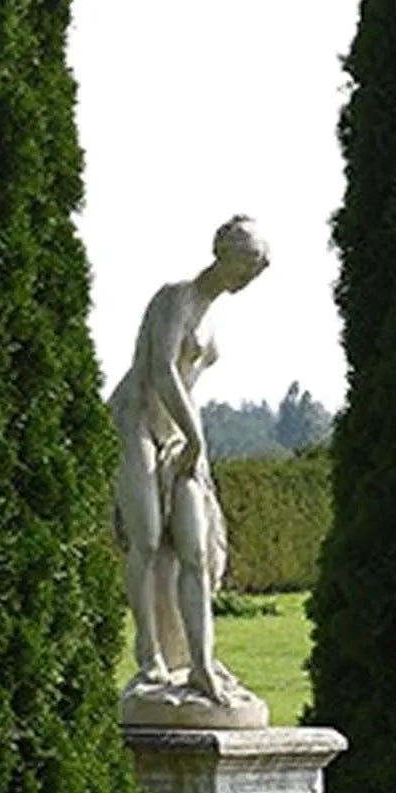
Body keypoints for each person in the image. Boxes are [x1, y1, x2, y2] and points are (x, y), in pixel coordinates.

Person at [108, 215, 269, 702]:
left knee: (196, 549)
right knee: (149, 539)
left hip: (178, 436)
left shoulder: (212, 315)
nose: (247, 277)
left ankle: (198, 663)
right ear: (223, 254)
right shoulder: (174, 297)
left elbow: (188, 384)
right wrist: (196, 437)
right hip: (135, 421)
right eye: (246, 265)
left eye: (254, 270)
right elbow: (160, 371)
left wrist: (193, 442)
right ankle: (150, 654)